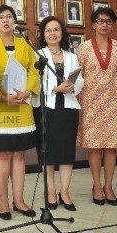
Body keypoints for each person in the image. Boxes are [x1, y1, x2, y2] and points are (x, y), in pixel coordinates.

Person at [0, 4, 39, 220]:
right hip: (0, 106)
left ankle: (19, 200)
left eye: (10, 17)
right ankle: (3, 200)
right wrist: (3, 96)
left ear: (15, 22)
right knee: (3, 154)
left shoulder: (26, 44)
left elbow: (35, 70)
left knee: (20, 155)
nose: (6, 20)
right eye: (1, 17)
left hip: (22, 105)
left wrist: (28, 91)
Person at [76, 7, 117, 206]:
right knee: (94, 146)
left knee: (111, 146)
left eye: (109, 21)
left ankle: (109, 186)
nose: (105, 24)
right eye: (101, 21)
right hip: (90, 102)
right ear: (93, 24)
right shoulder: (83, 48)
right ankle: (97, 185)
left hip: (114, 102)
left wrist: (111, 92)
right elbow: (78, 77)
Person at [34, 16, 84, 211]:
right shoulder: (38, 55)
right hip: (47, 108)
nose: (52, 33)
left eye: (56, 29)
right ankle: (51, 191)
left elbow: (81, 81)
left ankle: (65, 191)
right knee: (48, 151)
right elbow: (35, 81)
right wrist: (55, 89)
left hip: (69, 109)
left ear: (62, 33)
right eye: (48, 30)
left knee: (66, 151)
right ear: (43, 35)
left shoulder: (72, 56)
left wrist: (72, 87)